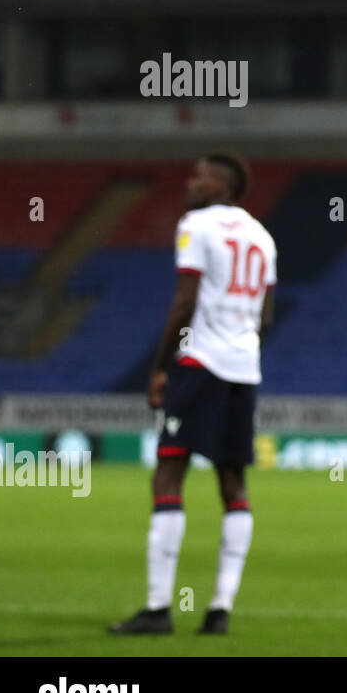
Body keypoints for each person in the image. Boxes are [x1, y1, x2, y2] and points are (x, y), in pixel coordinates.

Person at [109, 152, 276, 635]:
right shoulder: (262, 236)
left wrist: (160, 368)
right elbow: (266, 318)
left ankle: (159, 608)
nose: (190, 182)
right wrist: (240, 350)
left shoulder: (196, 225)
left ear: (223, 186)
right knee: (233, 484)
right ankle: (220, 610)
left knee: (168, 474)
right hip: (243, 369)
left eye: (200, 176)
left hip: (198, 363)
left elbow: (185, 300)